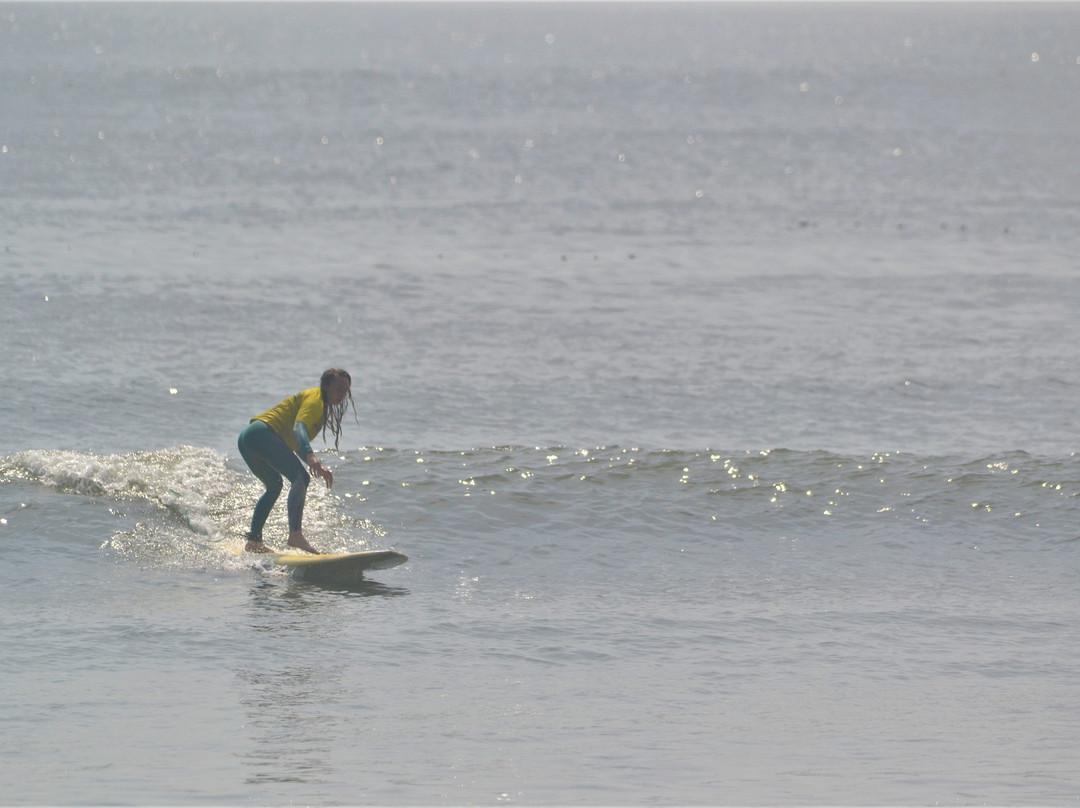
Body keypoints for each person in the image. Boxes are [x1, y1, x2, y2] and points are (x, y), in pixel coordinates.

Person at [237, 368, 354, 554]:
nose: (342, 395)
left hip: (249, 438)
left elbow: (295, 443)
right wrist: (311, 456)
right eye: (339, 389)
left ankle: (254, 541)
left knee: (275, 485)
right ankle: (295, 535)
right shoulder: (316, 400)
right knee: (301, 478)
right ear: (326, 386)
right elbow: (298, 429)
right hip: (262, 433)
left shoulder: (321, 407)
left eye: (345, 391)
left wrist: (315, 463)